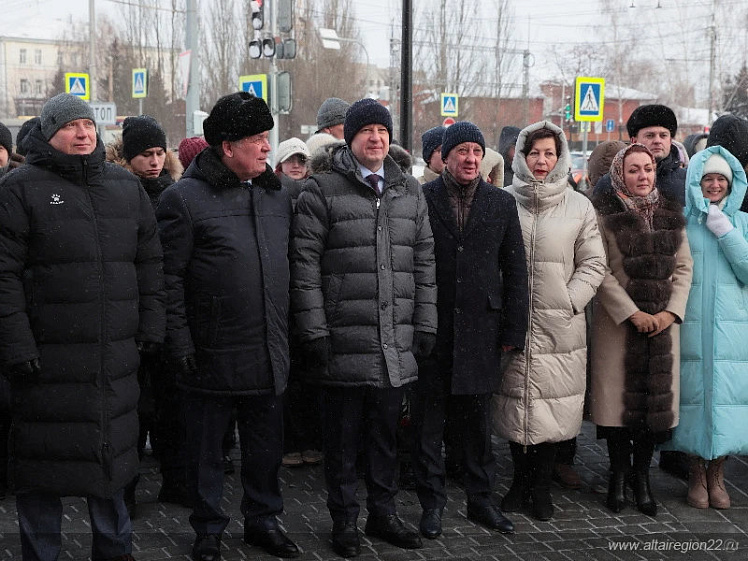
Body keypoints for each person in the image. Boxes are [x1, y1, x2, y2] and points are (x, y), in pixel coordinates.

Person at [0, 93, 165, 561]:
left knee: (112, 467)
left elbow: (150, 262)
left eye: (88, 125)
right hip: (45, 362)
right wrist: (16, 346)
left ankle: (115, 551)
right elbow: (4, 275)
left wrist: (152, 327)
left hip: (113, 360)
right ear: (49, 133)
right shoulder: (18, 189)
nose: (83, 133)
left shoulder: (124, 186)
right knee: (40, 469)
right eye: (71, 125)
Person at [291, 98, 437, 558]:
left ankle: (383, 513)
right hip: (343, 339)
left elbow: (423, 263)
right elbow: (304, 267)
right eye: (366, 130)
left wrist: (426, 323)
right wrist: (315, 330)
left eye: (383, 130)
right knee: (342, 442)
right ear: (350, 138)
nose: (376, 138)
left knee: (385, 438)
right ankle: (344, 520)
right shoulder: (321, 189)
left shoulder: (408, 191)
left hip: (394, 342)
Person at [157, 92, 299, 561]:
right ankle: (208, 529)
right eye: (256, 138)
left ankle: (263, 520)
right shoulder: (183, 199)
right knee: (207, 453)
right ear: (226, 147)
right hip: (211, 350)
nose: (266, 147)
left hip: (268, 347)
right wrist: (180, 343)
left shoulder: (277, 195)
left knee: (265, 448)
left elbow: (290, 268)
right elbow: (168, 280)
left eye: (266, 137)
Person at [414, 121, 528, 539]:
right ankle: (432, 505)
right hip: (432, 330)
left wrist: (514, 329)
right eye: (462, 151)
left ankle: (481, 501)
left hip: (483, 330)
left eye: (477, 152)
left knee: (478, 428)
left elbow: (515, 270)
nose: (471, 159)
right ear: (445, 156)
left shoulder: (500, 202)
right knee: (428, 428)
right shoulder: (422, 198)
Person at [492, 121, 606, 521]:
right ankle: (518, 481)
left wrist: (570, 300)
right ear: (521, 156)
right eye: (534, 153)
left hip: (560, 326)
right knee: (515, 402)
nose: (541, 161)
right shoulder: (503, 201)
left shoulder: (579, 206)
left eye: (549, 154)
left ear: (560, 158)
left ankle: (540, 486)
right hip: (513, 322)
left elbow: (594, 262)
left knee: (552, 406)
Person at [590, 143, 693, 517]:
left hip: (661, 329)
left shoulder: (671, 213)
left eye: (647, 168)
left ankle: (642, 477)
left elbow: (684, 268)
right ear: (620, 174)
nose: (642, 176)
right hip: (618, 327)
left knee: (653, 410)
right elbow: (599, 269)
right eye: (633, 170)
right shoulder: (603, 215)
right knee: (618, 411)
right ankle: (618, 474)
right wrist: (631, 312)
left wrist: (670, 313)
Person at [106, 115, 188, 513]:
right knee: (132, 409)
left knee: (171, 404)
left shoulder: (174, 192)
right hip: (130, 312)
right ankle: (125, 489)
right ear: (128, 157)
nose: (154, 162)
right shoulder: (116, 193)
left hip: (168, 309)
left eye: (159, 153)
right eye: (145, 155)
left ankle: (177, 483)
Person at [665, 146, 748, 510]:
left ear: (732, 184)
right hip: (691, 324)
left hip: (733, 329)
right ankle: (697, 473)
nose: (714, 185)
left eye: (721, 179)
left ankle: (718, 474)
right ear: (696, 183)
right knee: (694, 398)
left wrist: (725, 231)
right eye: (707, 179)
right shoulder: (681, 220)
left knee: (726, 400)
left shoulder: (742, 222)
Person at [593, 104, 687, 207]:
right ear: (634, 141)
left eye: (663, 135)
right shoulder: (611, 183)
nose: (657, 141)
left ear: (670, 140)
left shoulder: (687, 181)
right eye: (650, 135)